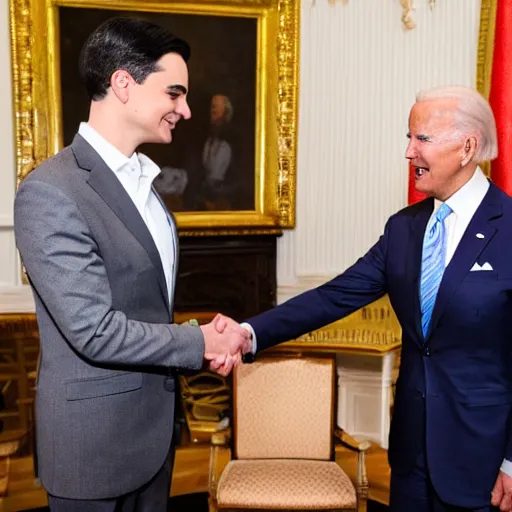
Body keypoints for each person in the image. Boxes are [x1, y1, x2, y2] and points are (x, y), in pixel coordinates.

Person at [218, 85, 512, 511]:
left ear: (467, 147)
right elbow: (334, 297)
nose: (409, 152)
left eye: (421, 139)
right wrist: (248, 334)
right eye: (408, 138)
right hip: (411, 456)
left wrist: (511, 460)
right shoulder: (404, 229)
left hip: (483, 461)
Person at [14, 17, 250, 512]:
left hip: (154, 440)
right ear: (123, 83)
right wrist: (200, 339)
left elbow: (143, 308)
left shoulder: (146, 184)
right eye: (174, 93)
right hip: (93, 450)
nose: (185, 110)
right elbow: (93, 330)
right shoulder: (51, 191)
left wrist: (201, 336)